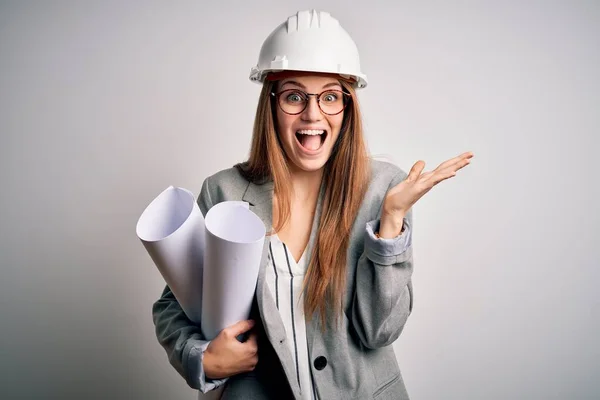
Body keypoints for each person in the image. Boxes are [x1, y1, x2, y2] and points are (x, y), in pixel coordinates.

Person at [152, 9, 473, 400]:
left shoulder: (384, 189)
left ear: (348, 107)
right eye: (294, 96)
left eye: (330, 97)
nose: (312, 113)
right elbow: (174, 307)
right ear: (271, 104)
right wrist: (201, 358)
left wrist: (390, 222)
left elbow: (379, 332)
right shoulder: (223, 191)